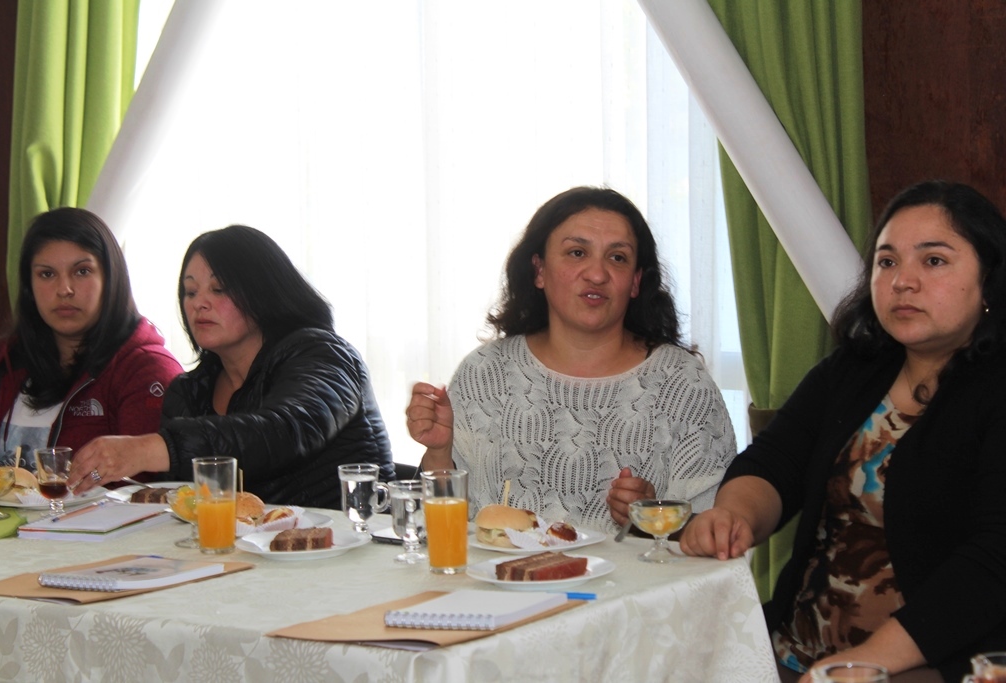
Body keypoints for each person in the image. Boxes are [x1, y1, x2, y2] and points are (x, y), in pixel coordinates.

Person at [679, 180, 1006, 682]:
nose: (903, 281)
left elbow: (993, 562)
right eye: (887, 261)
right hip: (792, 649)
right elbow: (774, 462)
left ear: (990, 279)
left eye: (934, 260)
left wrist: (869, 662)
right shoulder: (854, 369)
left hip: (929, 664)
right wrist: (733, 515)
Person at [406, 186, 737, 533]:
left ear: (636, 281)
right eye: (577, 253)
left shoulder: (682, 383)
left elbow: (714, 531)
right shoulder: (484, 372)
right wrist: (439, 452)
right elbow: (444, 533)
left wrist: (654, 517)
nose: (597, 274)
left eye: (618, 258)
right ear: (539, 270)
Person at [68, 225, 395, 509]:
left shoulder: (324, 355)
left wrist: (153, 448)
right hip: (243, 553)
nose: (199, 303)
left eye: (219, 289)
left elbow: (284, 431)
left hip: (347, 546)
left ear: (264, 292)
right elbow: (186, 501)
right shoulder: (188, 392)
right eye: (190, 291)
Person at [0, 207, 181, 471]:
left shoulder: (146, 369)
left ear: (110, 278)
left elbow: (149, 489)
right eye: (47, 274)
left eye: (82, 271)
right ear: (29, 286)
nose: (64, 289)